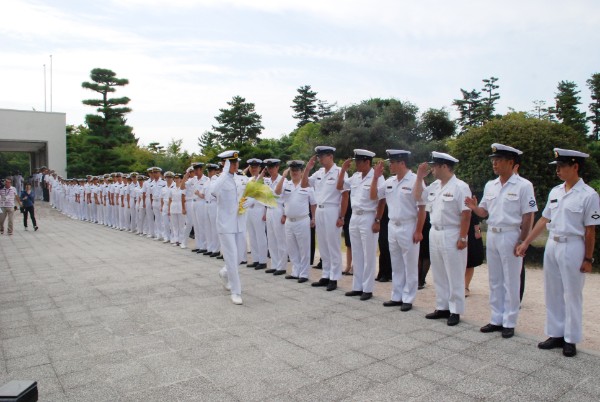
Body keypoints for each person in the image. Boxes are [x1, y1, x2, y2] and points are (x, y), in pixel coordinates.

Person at [517, 148, 600, 357]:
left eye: (562, 166)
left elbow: (590, 230)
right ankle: (556, 333)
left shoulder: (589, 195)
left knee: (572, 294)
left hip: (573, 246)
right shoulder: (556, 191)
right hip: (552, 245)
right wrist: (526, 241)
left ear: (575, 167)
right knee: (552, 291)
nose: (558, 171)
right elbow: (544, 219)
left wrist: (588, 258)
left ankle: (570, 339)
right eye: (557, 167)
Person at [465, 143, 537, 339]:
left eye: (498, 160)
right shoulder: (491, 185)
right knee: (495, 279)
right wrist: (473, 207)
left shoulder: (523, 185)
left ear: (510, 162)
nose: (494, 163)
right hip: (494, 234)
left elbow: (528, 216)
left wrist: (523, 241)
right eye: (493, 160)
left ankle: (510, 321)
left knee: (511, 280)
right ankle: (496, 318)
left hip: (511, 234)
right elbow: (484, 211)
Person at [415, 152, 471, 326]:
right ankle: (442, 306)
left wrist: (463, 236)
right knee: (439, 272)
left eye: (434, 166)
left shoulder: (460, 187)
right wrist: (418, 178)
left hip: (452, 232)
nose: (432, 169)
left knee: (454, 273)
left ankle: (455, 310)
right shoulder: (435, 186)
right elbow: (418, 197)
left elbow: (466, 214)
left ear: (444, 167)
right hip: (435, 231)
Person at [371, 150, 426, 312]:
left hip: (409, 225)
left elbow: (422, 208)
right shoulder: (390, 181)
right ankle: (397, 296)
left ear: (402, 163)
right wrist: (375, 178)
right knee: (396, 263)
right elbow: (373, 196)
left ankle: (408, 298)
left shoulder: (416, 180)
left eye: (393, 162)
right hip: (392, 225)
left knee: (409, 264)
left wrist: (418, 230)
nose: (390, 165)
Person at [338, 149, 385, 301]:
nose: (356, 164)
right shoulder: (356, 176)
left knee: (369, 254)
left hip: (369, 217)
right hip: (355, 217)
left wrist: (378, 220)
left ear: (367, 162)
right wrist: (343, 170)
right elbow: (340, 186)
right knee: (357, 253)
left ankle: (368, 288)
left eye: (359, 161)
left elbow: (381, 200)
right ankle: (357, 286)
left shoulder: (377, 177)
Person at [302, 146, 349, 292]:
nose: (320, 159)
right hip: (320, 210)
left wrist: (342, 216)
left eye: (322, 156)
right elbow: (304, 184)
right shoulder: (319, 172)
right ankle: (326, 274)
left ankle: (334, 277)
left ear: (330, 156)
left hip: (332, 209)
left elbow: (345, 195)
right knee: (322, 244)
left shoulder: (340, 172)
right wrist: (308, 169)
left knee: (333, 244)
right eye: (319, 157)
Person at [274, 160, 317, 283]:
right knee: (292, 248)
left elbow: (313, 203)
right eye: (292, 170)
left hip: (302, 220)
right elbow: (277, 192)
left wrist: (313, 218)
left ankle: (304, 274)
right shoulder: (286, 184)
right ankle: (295, 271)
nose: (294, 173)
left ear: (302, 171)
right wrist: (283, 176)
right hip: (289, 221)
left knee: (304, 248)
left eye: (296, 170)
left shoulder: (308, 186)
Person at [213, 150, 246, 305]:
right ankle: (236, 291)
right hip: (225, 225)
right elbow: (212, 191)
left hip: (239, 223)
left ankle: (225, 272)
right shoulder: (218, 179)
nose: (235, 165)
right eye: (231, 163)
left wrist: (249, 202)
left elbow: (246, 197)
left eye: (236, 162)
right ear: (224, 164)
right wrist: (225, 172)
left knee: (239, 256)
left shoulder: (239, 179)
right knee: (232, 257)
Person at [245, 158, 268, 269]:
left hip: (259, 209)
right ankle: (255, 259)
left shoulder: (264, 180)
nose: (253, 169)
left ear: (259, 168)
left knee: (260, 236)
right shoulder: (248, 180)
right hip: (249, 210)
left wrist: (265, 212)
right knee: (252, 236)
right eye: (251, 167)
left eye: (255, 167)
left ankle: (262, 261)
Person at [465, 213, 484, 297]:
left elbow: (476, 222)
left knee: (470, 261)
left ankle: (466, 286)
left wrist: (478, 232)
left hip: (471, 232)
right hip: (456, 230)